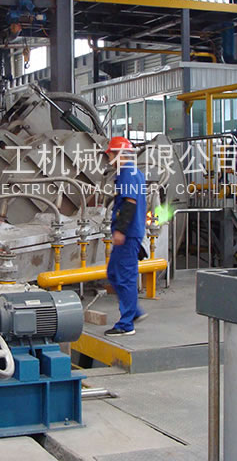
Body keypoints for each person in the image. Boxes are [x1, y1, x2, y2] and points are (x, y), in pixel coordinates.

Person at [104, 136, 148, 336]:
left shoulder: (127, 173)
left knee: (125, 277)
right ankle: (134, 311)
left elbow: (130, 203)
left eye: (110, 154)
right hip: (131, 232)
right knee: (114, 272)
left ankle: (126, 325)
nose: (109, 159)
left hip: (128, 235)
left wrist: (121, 230)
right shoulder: (134, 173)